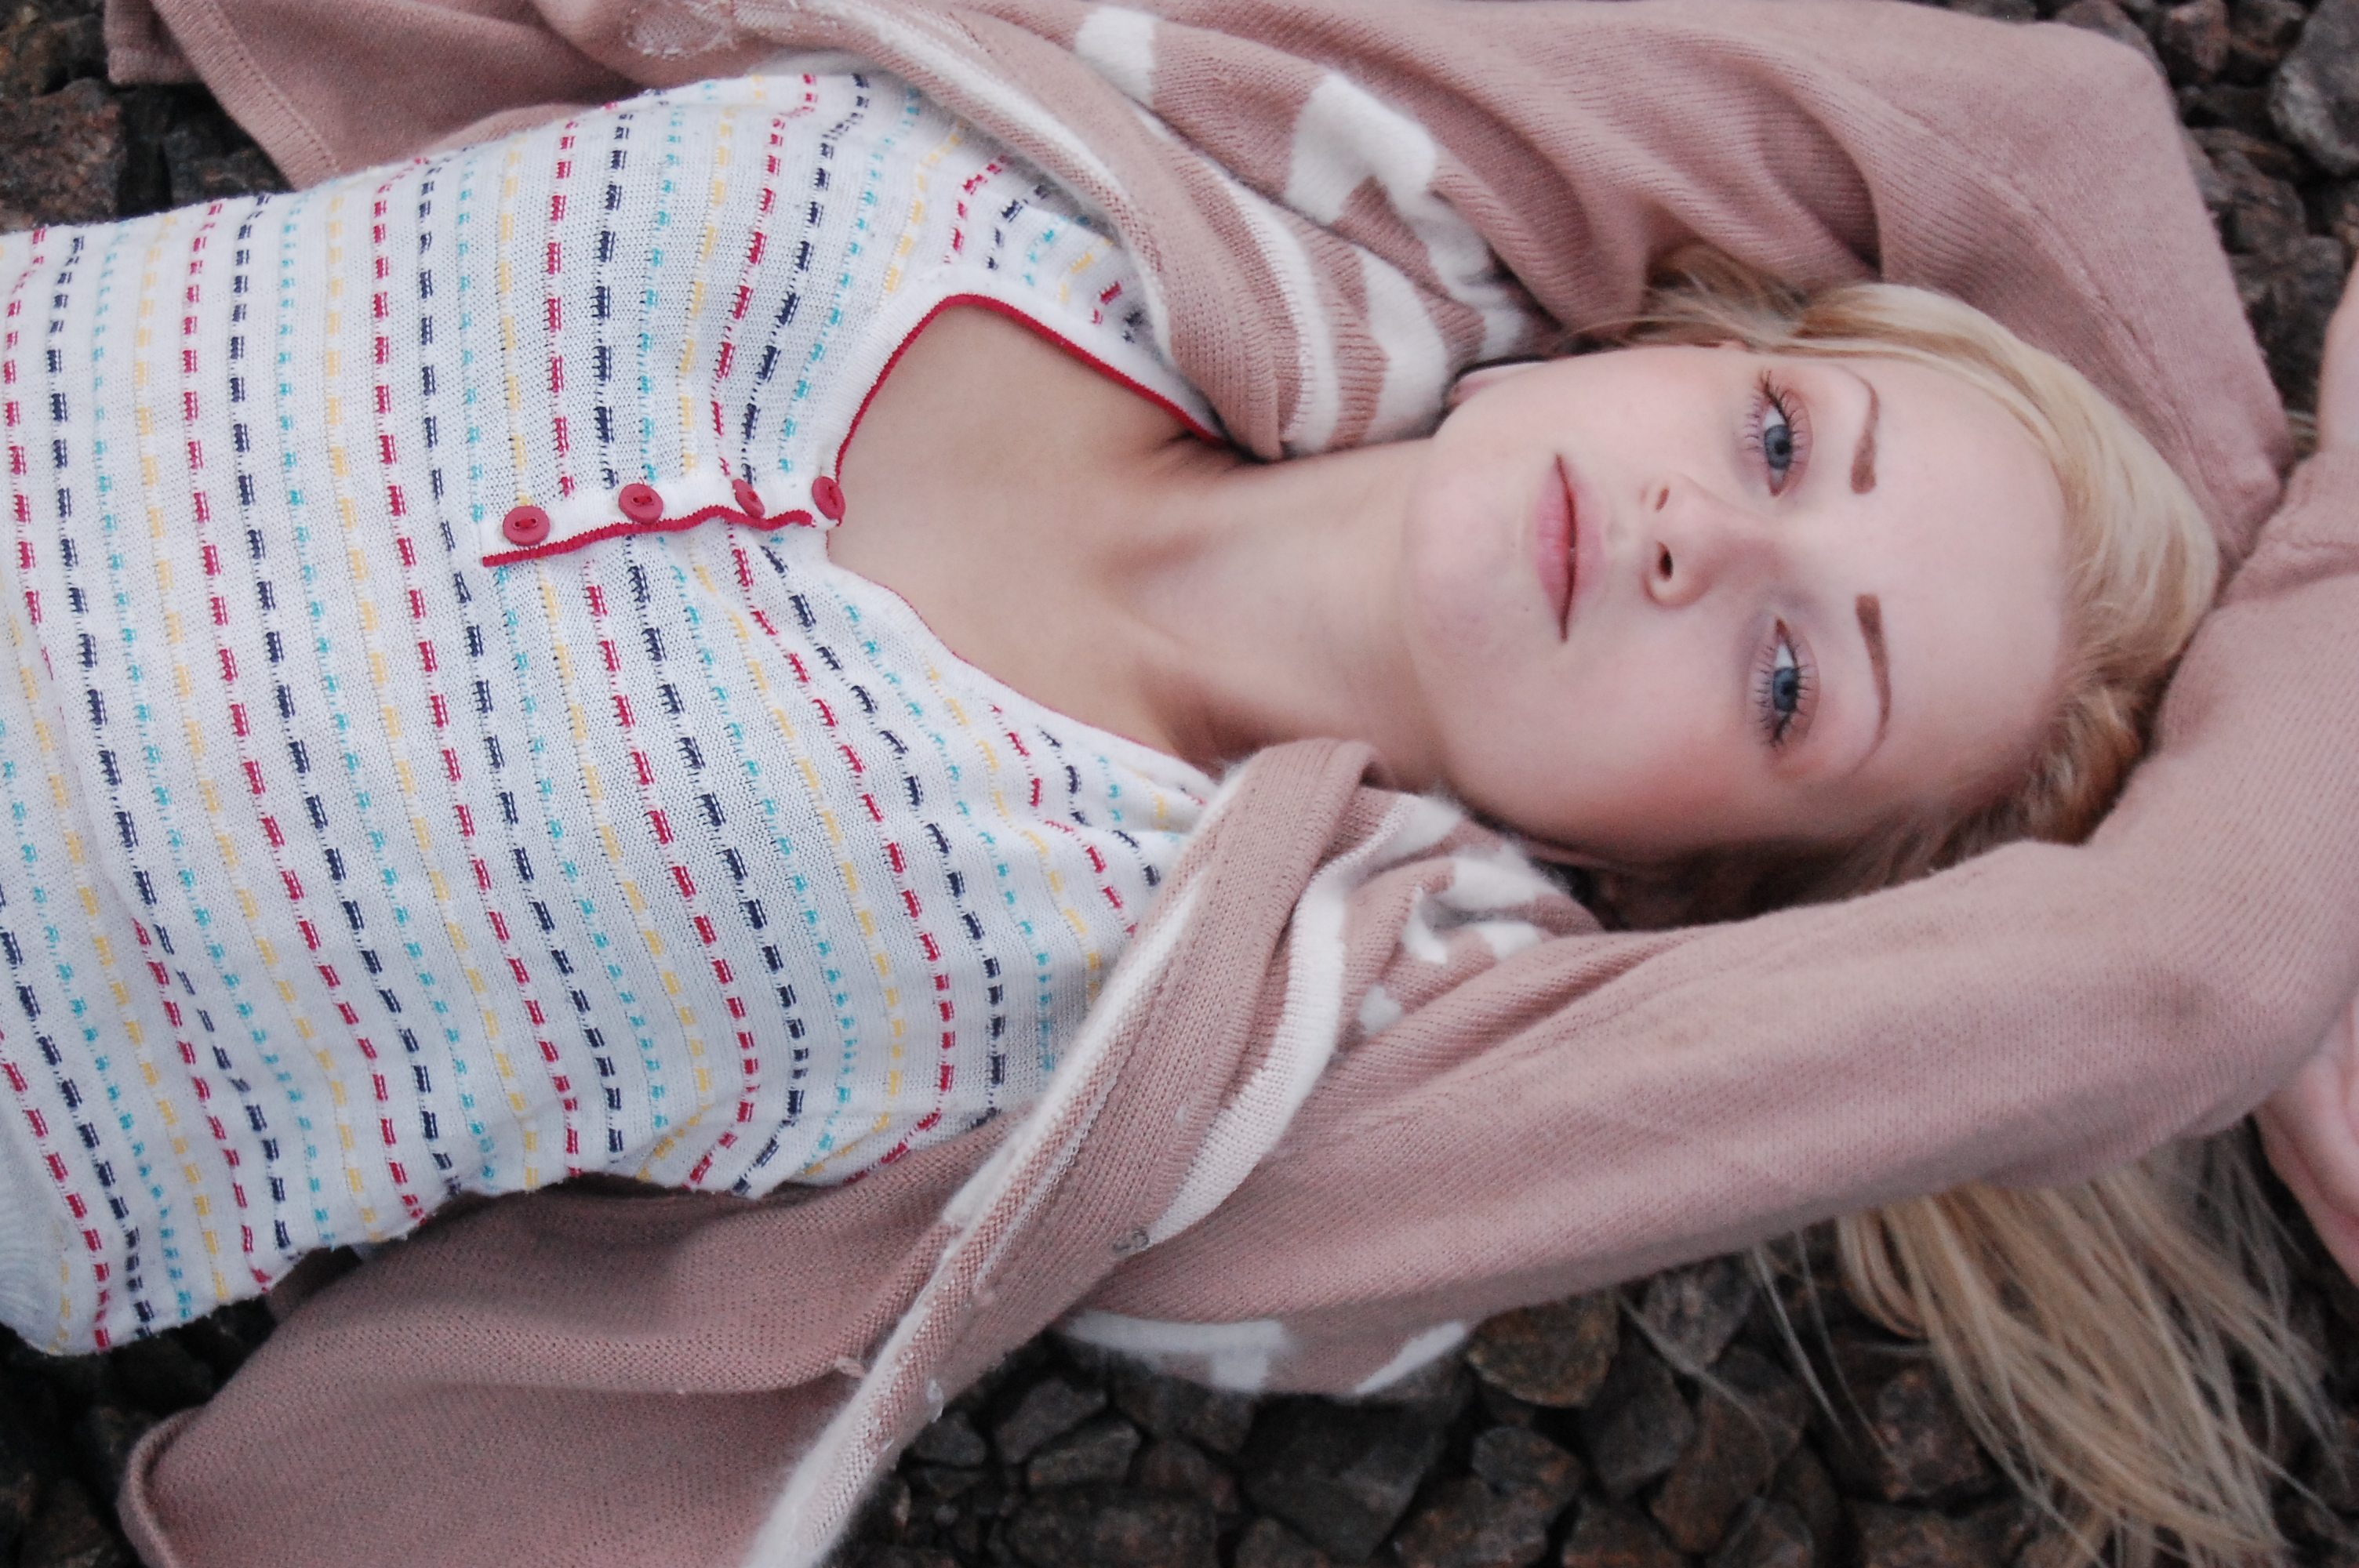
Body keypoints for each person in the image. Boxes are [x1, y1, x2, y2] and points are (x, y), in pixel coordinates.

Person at [0, 59, 2336, 1568]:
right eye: (1780, 441)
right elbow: (2037, 120)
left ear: (1696, 888)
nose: (1698, 544)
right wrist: (2268, 492)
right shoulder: (1182, 167)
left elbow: (2165, 986)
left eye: (1796, 678)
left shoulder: (1282, 1054)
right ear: (1688, 335)